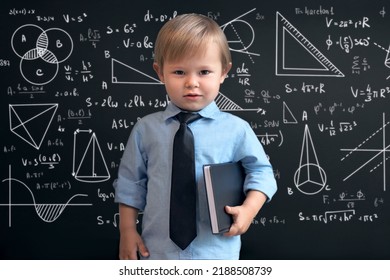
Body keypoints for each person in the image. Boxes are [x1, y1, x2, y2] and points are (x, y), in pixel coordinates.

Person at [113, 13, 277, 260]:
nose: (191, 82)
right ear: (160, 72)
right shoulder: (145, 129)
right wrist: (127, 231)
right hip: (156, 252)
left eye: (204, 71)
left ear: (223, 72)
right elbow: (130, 182)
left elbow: (262, 172)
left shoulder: (237, 130)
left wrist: (249, 209)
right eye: (179, 72)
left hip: (217, 252)